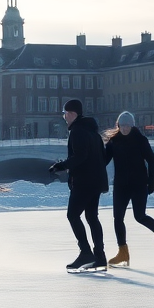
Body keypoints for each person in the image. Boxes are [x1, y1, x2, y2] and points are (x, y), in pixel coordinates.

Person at [102, 111, 154, 268]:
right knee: (118, 218)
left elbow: (152, 160)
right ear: (118, 126)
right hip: (121, 185)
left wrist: (151, 181)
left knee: (140, 216)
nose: (124, 128)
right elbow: (103, 161)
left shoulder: (140, 140)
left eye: (127, 125)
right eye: (122, 125)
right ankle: (123, 252)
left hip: (139, 184)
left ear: (132, 125)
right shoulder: (113, 142)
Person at [49, 99, 109, 273]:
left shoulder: (77, 131)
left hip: (84, 182)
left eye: (65, 113)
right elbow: (102, 158)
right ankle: (100, 257)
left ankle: (85, 252)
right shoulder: (93, 133)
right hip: (96, 182)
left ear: (72, 114)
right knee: (91, 217)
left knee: (72, 215)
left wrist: (60, 166)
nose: (64, 117)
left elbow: (80, 156)